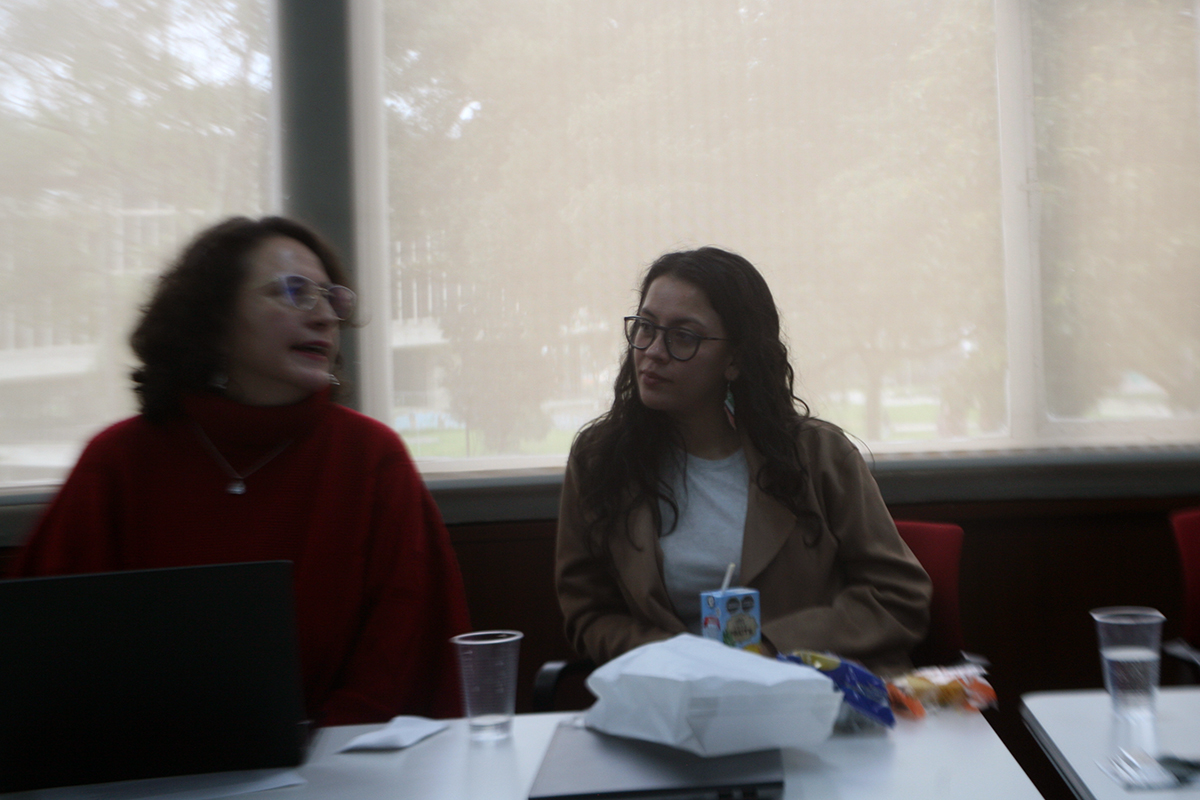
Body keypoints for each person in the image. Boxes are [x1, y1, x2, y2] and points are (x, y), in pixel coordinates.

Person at [10, 216, 471, 725]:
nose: (324, 317)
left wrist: (318, 747)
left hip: (344, 755)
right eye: (293, 292)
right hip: (147, 760)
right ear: (213, 319)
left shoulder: (370, 457)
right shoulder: (117, 462)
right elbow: (48, 650)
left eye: (331, 298)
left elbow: (405, 647)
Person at [556, 247, 932, 675]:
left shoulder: (818, 455)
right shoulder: (600, 459)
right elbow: (589, 612)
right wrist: (681, 658)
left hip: (803, 689)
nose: (654, 351)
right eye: (646, 327)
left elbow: (897, 597)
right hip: (673, 693)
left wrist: (767, 647)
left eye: (683, 337)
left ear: (735, 359)